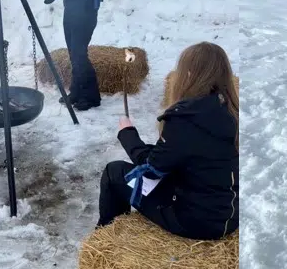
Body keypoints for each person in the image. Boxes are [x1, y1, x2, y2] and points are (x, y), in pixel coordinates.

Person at [96, 42, 239, 241]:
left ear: (189, 74)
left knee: (114, 172)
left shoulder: (186, 118)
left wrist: (127, 133)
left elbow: (151, 167)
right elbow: (180, 155)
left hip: (196, 221)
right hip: (230, 215)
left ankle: (106, 240)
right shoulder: (232, 110)